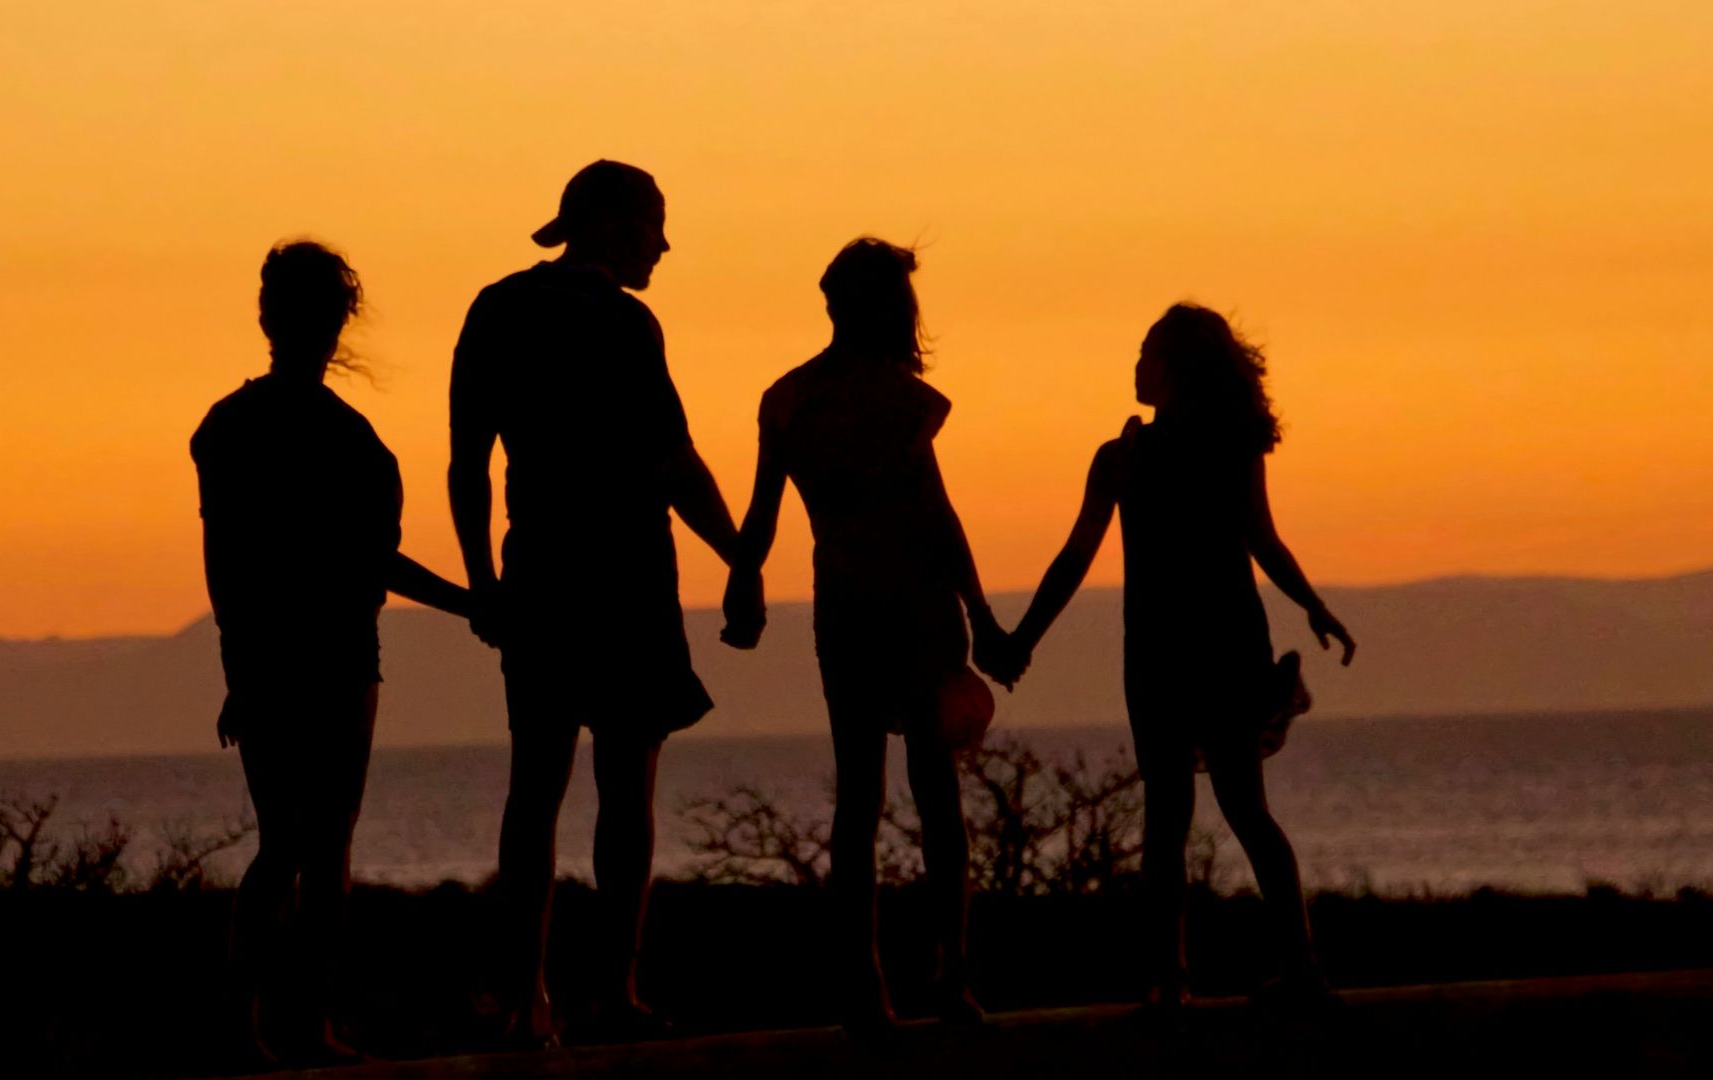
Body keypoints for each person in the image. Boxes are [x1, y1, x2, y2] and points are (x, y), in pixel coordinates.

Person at [988, 302, 1357, 1011]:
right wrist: (1312, 604)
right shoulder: (1193, 450)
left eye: (1147, 353)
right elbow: (1263, 542)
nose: (1135, 365)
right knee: (1239, 810)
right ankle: (1281, 967)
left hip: (1171, 649)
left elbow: (1077, 560)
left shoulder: (1132, 457)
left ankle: (1176, 976)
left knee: (1176, 815)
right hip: (1212, 643)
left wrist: (1019, 641)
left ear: (1176, 369)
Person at [448, 161, 743, 1044]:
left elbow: (469, 464)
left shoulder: (496, 308)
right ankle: (614, 992)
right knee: (625, 792)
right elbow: (673, 461)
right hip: (625, 579)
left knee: (533, 790)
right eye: (655, 222)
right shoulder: (625, 322)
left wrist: (482, 583)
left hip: (536, 572)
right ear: (613, 225)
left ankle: (526, 998)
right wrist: (741, 556)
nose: (663, 242)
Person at [191, 240, 471, 1065]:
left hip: (296, 657)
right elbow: (356, 561)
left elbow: (229, 566)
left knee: (294, 845)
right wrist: (473, 604)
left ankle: (273, 1024)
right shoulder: (332, 436)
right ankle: (290, 1024)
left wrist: (238, 667)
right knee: (316, 846)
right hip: (326, 659)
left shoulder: (241, 427)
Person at [722, 238, 1005, 1031]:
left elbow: (763, 514)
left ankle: (870, 985)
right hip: (912, 605)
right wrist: (980, 614)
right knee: (935, 795)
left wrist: (745, 587)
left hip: (843, 604)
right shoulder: (901, 399)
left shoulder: (788, 399)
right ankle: (949, 978)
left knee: (861, 798)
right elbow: (936, 518)